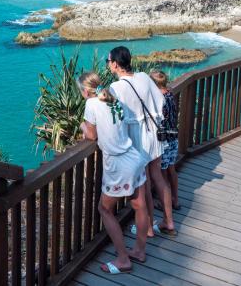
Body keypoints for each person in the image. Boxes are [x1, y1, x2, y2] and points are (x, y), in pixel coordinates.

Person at [77, 72, 149, 274]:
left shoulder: (91, 104)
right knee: (139, 205)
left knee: (104, 209)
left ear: (85, 91)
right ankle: (139, 251)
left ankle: (123, 259)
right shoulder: (113, 99)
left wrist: (82, 125)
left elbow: (91, 135)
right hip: (134, 156)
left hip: (118, 164)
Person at [106, 46, 176, 237]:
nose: (108, 64)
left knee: (143, 183)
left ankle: (148, 227)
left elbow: (115, 118)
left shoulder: (116, 87)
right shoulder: (144, 76)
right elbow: (160, 102)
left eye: (108, 61)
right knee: (159, 178)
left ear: (115, 64)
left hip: (137, 138)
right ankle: (169, 222)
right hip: (154, 133)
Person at [149, 69, 180, 212]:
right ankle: (176, 199)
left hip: (164, 141)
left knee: (162, 174)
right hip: (173, 138)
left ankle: (164, 202)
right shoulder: (170, 94)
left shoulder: (159, 100)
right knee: (171, 170)